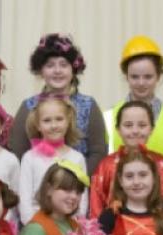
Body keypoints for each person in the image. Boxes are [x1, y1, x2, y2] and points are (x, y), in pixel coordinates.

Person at [9, 34, 106, 173]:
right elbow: (18, 152)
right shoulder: (29, 107)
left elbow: (98, 152)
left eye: (63, 65)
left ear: (73, 70)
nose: (57, 71)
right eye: (50, 65)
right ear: (41, 71)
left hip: (79, 188)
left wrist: (76, 181)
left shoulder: (89, 105)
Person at [103, 36, 163, 166]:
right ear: (126, 76)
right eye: (135, 77)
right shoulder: (107, 119)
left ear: (159, 76)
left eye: (148, 77)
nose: (141, 83)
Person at [90, 101, 163, 219]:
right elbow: (96, 210)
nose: (135, 131)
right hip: (113, 234)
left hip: (157, 232)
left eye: (142, 125)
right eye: (128, 125)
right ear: (118, 129)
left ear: (151, 129)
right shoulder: (106, 165)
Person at [17, 96, 87, 223]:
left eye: (59, 119)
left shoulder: (77, 158)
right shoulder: (30, 158)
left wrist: (74, 225)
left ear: (68, 121)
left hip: (68, 229)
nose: (54, 125)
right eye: (47, 121)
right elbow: (25, 200)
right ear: (38, 125)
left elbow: (82, 199)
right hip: (38, 227)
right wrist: (34, 225)